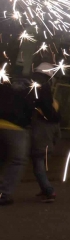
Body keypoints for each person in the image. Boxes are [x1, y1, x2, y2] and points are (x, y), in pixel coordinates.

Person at [28, 63, 62, 203]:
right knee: (39, 167)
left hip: (39, 145)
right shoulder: (55, 120)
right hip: (47, 146)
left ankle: (49, 191)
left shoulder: (40, 119)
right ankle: (44, 189)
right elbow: (58, 135)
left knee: (38, 168)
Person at [0, 72, 33, 206]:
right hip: (15, 127)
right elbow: (30, 111)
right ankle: (4, 194)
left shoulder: (4, 87)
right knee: (17, 161)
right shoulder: (29, 91)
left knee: (2, 158)